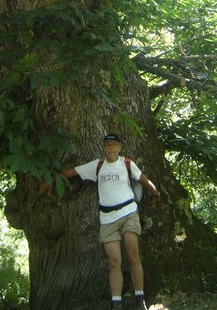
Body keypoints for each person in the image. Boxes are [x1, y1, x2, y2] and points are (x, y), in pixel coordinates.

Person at [60, 133, 160, 310]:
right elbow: (73, 171)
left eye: (114, 145)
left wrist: (155, 193)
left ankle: (140, 298)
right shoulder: (97, 166)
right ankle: (116, 302)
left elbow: (143, 179)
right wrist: (52, 180)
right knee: (114, 261)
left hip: (128, 213)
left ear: (120, 147)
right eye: (107, 145)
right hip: (107, 219)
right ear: (104, 148)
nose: (111, 148)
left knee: (133, 255)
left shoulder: (126, 163)